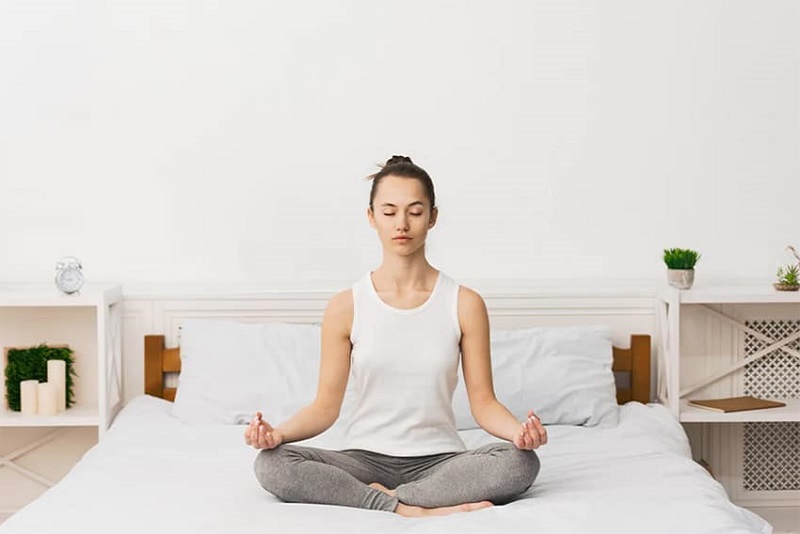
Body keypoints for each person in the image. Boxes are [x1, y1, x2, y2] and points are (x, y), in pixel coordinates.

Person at [245, 155, 547, 518]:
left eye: (415, 212)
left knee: (521, 463)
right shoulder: (346, 305)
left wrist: (519, 433)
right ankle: (410, 508)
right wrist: (277, 435)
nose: (401, 224)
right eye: (389, 212)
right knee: (272, 464)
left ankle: (386, 498)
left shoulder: (464, 303)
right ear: (371, 217)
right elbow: (325, 408)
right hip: (362, 459)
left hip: (440, 461)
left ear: (433, 217)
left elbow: (483, 403)